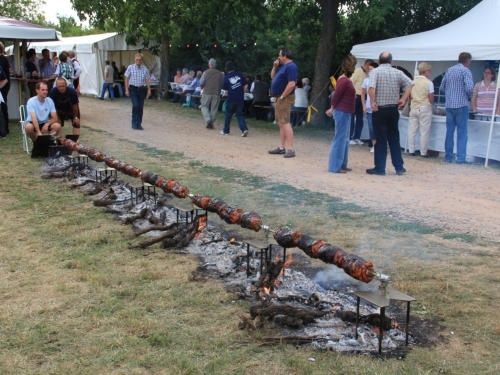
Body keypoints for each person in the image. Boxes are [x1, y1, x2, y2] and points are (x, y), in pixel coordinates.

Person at [367, 51, 412, 176]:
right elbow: (410, 83)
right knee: (394, 138)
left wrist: (373, 102)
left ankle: (380, 168)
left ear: (379, 60)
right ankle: (399, 167)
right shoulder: (397, 72)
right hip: (393, 109)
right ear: (391, 61)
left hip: (380, 109)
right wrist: (403, 98)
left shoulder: (375, 72)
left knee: (380, 139)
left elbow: (371, 88)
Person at [439, 52, 474, 164]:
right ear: (467, 60)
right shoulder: (465, 70)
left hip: (449, 106)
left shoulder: (449, 70)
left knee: (449, 132)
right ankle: (460, 158)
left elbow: (441, 87)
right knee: (462, 133)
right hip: (461, 105)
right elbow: (469, 88)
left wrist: (450, 95)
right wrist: (468, 98)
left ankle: (448, 157)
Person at [325, 54, 357, 173]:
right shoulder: (344, 80)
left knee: (344, 139)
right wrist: (332, 109)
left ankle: (342, 164)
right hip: (342, 111)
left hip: (346, 111)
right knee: (340, 138)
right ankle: (334, 166)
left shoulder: (345, 80)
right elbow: (336, 96)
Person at [268, 48, 298, 158]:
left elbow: (291, 84)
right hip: (280, 97)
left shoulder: (291, 66)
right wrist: (275, 66)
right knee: (281, 122)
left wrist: (282, 96)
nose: (278, 57)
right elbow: (272, 77)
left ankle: (290, 149)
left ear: (285, 56)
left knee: (285, 122)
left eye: (280, 55)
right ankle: (281, 147)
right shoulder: (282, 67)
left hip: (284, 97)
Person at [408, 62, 434, 157]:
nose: (430, 73)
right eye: (429, 71)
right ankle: (423, 152)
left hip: (414, 107)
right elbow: (431, 98)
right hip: (424, 107)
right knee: (424, 131)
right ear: (426, 71)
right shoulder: (429, 83)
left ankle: (411, 150)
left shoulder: (412, 82)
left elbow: (409, 95)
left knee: (412, 130)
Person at [221, 61, 249, 137]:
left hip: (231, 98)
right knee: (239, 115)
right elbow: (246, 85)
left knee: (228, 114)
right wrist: (242, 92)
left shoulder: (226, 77)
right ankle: (244, 129)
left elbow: (225, 91)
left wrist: (225, 96)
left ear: (226, 68)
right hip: (240, 98)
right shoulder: (239, 74)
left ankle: (226, 131)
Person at [350, 59, 374, 145]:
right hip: (356, 96)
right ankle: (350, 137)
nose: (370, 69)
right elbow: (351, 82)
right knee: (352, 117)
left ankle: (357, 137)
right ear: (366, 64)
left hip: (363, 97)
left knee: (360, 118)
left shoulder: (368, 74)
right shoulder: (358, 71)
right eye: (369, 67)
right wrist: (352, 93)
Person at [124, 53, 151, 130]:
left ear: (142, 60)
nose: (138, 61)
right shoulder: (130, 67)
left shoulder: (145, 69)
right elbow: (126, 78)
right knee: (136, 105)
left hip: (142, 89)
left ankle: (138, 124)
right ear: (134, 59)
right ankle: (134, 123)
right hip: (133, 89)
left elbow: (147, 80)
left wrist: (149, 90)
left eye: (139, 60)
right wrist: (126, 89)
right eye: (137, 59)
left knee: (140, 107)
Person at [360, 61, 379, 153]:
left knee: (379, 126)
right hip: (369, 107)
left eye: (372, 69)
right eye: (369, 69)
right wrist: (363, 105)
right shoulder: (366, 80)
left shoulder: (379, 80)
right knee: (371, 127)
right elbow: (362, 94)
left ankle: (379, 144)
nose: (370, 71)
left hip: (379, 107)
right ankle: (374, 144)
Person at [200, 58, 224, 129]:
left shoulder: (205, 72)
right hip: (216, 93)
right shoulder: (220, 74)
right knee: (214, 109)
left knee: (204, 106)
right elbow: (222, 84)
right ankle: (211, 122)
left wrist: (202, 87)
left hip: (207, 92)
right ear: (215, 65)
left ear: (209, 64)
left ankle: (208, 120)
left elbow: (201, 82)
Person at [0, 42, 11, 134]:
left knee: (3, 107)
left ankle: (5, 129)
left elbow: (5, 77)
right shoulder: (5, 59)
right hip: (5, 85)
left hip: (3, 86)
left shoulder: (3, 59)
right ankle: (5, 128)